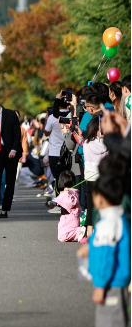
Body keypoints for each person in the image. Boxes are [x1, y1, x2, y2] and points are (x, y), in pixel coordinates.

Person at [82, 174, 130, 327]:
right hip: (119, 280)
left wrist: (100, 285)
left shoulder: (107, 224)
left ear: (100, 199)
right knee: (118, 317)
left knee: (109, 320)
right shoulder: (120, 218)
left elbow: (106, 256)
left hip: (110, 283)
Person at [74, 115, 107, 238]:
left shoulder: (87, 144)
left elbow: (80, 141)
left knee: (90, 206)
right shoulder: (108, 144)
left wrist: (78, 135)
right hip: (103, 180)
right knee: (103, 207)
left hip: (90, 179)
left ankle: (88, 234)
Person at [52, 170, 83, 242]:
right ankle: (79, 232)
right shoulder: (70, 192)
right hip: (66, 217)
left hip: (69, 217)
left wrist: (66, 194)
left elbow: (71, 203)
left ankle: (80, 231)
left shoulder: (70, 192)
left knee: (62, 237)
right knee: (62, 233)